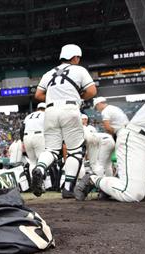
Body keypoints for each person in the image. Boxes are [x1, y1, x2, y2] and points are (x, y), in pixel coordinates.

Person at [31, 44, 97, 199]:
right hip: (70, 110)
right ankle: (68, 188)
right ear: (75, 57)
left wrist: (56, 97)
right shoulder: (79, 70)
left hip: (50, 111)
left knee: (52, 150)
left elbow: (39, 95)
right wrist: (78, 97)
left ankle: (40, 168)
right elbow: (92, 91)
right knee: (75, 151)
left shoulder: (48, 73)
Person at [75, 93, 145, 202]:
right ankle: (93, 180)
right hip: (138, 141)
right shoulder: (110, 110)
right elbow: (108, 128)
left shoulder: (109, 110)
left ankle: (131, 183)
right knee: (132, 194)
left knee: (135, 187)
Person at [21, 102, 46, 177]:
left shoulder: (28, 116)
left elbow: (22, 129)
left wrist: (22, 141)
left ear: (38, 108)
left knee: (32, 162)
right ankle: (44, 183)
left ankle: (33, 182)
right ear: (45, 109)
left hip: (26, 137)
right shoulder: (45, 114)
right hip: (38, 136)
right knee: (42, 161)